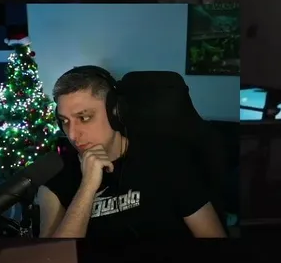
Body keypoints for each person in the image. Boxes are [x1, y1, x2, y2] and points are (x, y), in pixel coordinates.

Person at [36, 66, 226, 239]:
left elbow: (212, 235)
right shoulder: (55, 184)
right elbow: (52, 259)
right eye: (65, 121)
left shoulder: (168, 159)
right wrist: (87, 186)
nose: (72, 134)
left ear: (115, 112)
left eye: (84, 118)